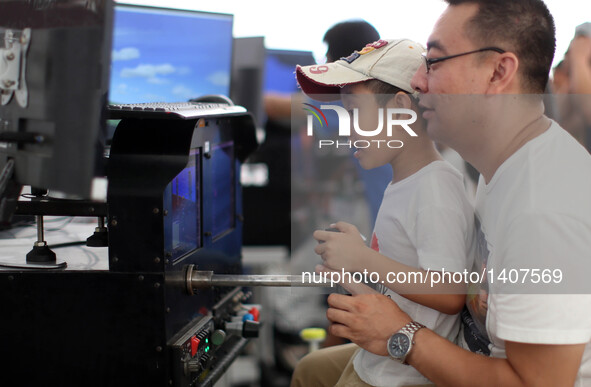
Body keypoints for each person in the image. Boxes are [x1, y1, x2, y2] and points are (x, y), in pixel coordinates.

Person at [322, 0, 591, 386]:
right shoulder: (502, 166)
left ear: (498, 72)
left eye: (433, 61)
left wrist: (402, 334)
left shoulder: (542, 209)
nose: (416, 81)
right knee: (313, 372)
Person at [291, 38, 476, 387]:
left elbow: (450, 292)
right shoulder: (406, 182)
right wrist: (359, 253)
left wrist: (363, 259)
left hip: (403, 373)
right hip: (382, 359)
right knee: (309, 370)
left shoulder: (435, 188)